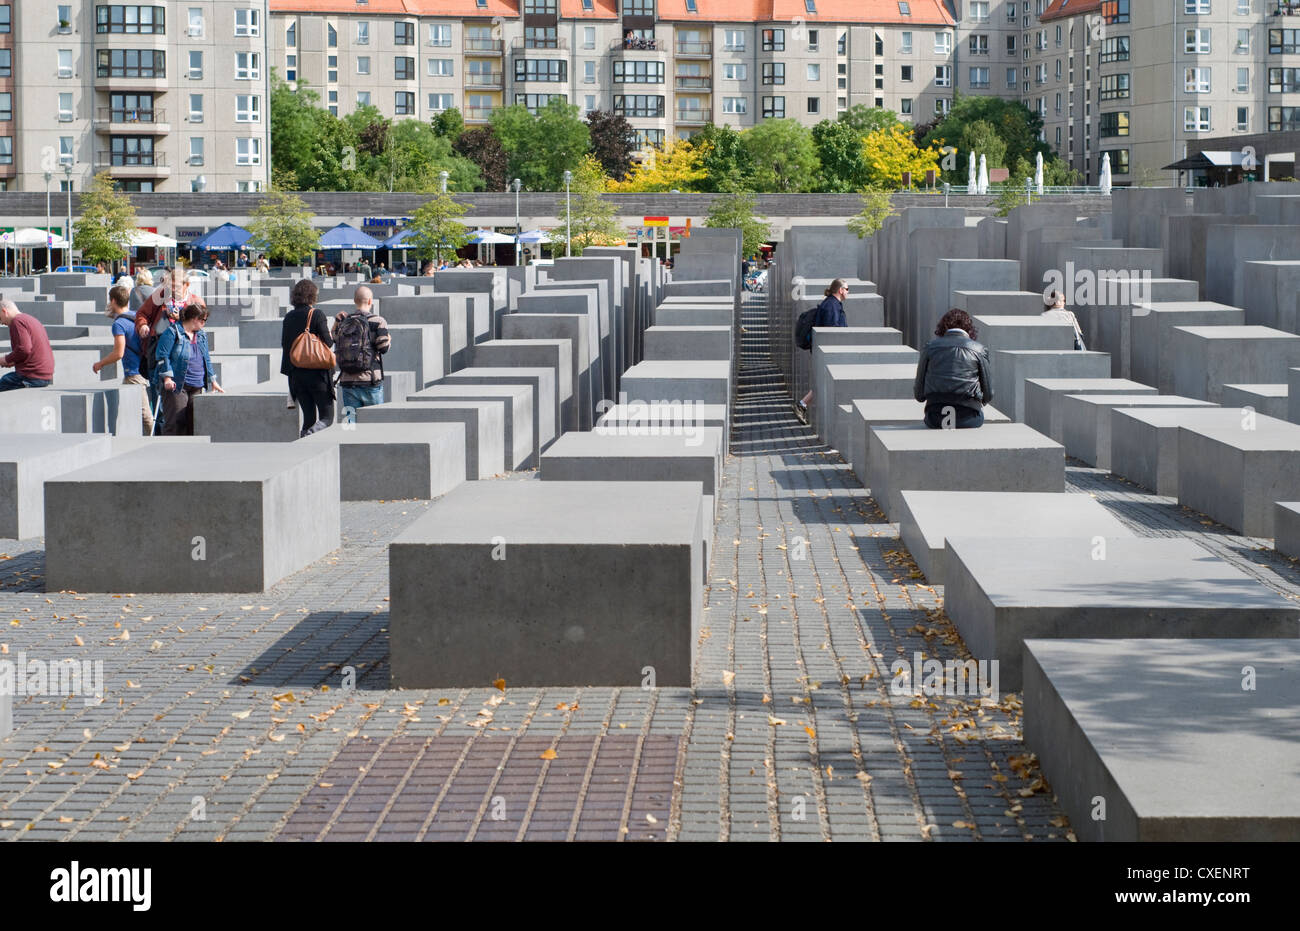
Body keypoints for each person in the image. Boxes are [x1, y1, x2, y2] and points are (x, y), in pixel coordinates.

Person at [913, 309, 993, 430]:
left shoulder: (930, 347)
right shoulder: (979, 350)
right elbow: (988, 395)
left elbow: (919, 395)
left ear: (942, 328)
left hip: (935, 418)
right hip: (970, 417)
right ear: (970, 329)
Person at [153, 303, 223, 435]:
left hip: (197, 384)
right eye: (203, 320)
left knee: (194, 423)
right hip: (177, 385)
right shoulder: (172, 332)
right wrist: (167, 378)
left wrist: (213, 380)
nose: (204, 323)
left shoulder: (201, 335)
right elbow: (162, 357)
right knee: (176, 422)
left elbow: (206, 358)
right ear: (194, 319)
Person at [93, 285, 154, 435]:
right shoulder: (136, 315)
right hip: (147, 369)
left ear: (113, 301)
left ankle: (156, 440)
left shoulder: (119, 324)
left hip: (133, 373)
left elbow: (118, 353)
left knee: (144, 415)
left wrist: (100, 364)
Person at [281, 278, 335, 437]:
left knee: (308, 418)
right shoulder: (317, 314)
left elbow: (285, 345)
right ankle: (310, 433)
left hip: (297, 377)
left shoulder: (289, 317)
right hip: (318, 376)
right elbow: (329, 343)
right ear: (313, 296)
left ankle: (304, 439)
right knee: (327, 418)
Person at [795, 278, 849, 422]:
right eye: (847, 289)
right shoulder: (832, 305)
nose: (848, 292)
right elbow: (832, 331)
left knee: (823, 383)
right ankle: (802, 405)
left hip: (826, 349)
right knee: (825, 383)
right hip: (829, 350)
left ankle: (802, 404)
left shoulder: (832, 303)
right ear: (841, 290)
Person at [332, 285, 391, 419]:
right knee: (374, 424)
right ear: (370, 301)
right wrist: (389, 340)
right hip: (370, 381)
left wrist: (336, 322)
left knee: (351, 425)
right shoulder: (378, 321)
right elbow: (383, 348)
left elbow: (334, 339)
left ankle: (349, 440)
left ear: (354, 301)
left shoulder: (344, 321)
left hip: (348, 381)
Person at [0, 299, 55, 391]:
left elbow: (24, 349)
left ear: (4, 311)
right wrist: (14, 361)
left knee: (5, 381)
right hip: (44, 376)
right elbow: (32, 350)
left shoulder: (17, 321)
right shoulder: (31, 319)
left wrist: (5, 359)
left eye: (0, 318)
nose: (1, 323)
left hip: (32, 377)